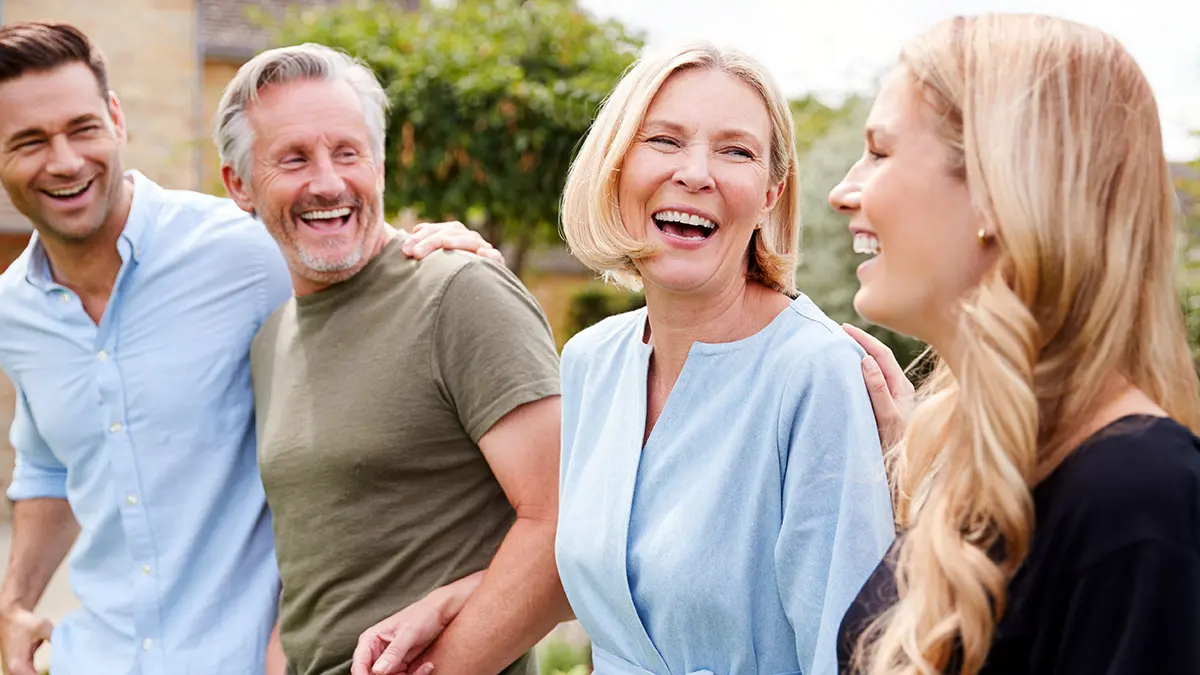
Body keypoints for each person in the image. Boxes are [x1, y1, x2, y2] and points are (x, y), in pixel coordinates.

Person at [0, 21, 495, 675]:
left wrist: (437, 255)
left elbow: (345, 243)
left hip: (251, 656)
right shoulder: (14, 310)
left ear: (116, 119)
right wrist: (14, 602)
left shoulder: (243, 250)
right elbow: (50, 469)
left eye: (81, 128)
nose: (63, 161)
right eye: (29, 141)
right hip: (95, 657)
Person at [828, 13, 1200, 675]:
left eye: (880, 152)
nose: (842, 191)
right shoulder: (976, 463)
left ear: (1002, 188)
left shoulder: (1138, 492)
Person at [214, 43, 570, 675]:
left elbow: (565, 529)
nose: (328, 182)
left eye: (347, 152)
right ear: (239, 183)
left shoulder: (459, 292)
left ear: (379, 163)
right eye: (293, 158)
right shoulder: (273, 338)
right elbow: (310, 580)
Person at [553, 42, 892, 675]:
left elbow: (849, 655)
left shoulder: (814, 375)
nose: (696, 173)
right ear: (616, 165)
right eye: (664, 140)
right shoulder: (589, 362)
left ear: (770, 193)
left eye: (736, 151)